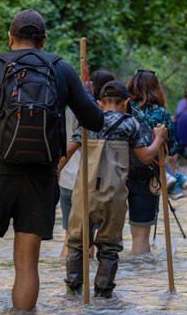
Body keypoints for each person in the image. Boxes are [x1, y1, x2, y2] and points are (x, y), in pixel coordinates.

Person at [0, 9, 104, 314]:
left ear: (10, 37)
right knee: (26, 261)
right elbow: (94, 121)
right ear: (43, 40)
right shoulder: (61, 69)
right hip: (40, 175)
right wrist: (87, 95)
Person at [62, 80, 168, 298]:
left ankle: (73, 291)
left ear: (100, 103)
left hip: (85, 192)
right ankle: (103, 295)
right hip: (114, 194)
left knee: (76, 243)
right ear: (125, 103)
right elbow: (146, 156)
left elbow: (65, 154)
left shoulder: (87, 123)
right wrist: (158, 139)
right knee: (109, 248)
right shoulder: (130, 125)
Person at [59, 69, 114, 258]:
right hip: (88, 180)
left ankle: (62, 277)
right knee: (91, 237)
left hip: (66, 177)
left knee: (70, 236)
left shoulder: (66, 110)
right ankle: (86, 279)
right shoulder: (93, 114)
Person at [125, 70, 178, 253]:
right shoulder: (160, 113)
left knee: (105, 230)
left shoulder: (123, 107)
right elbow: (172, 146)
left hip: (119, 172)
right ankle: (142, 276)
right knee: (141, 236)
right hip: (148, 177)